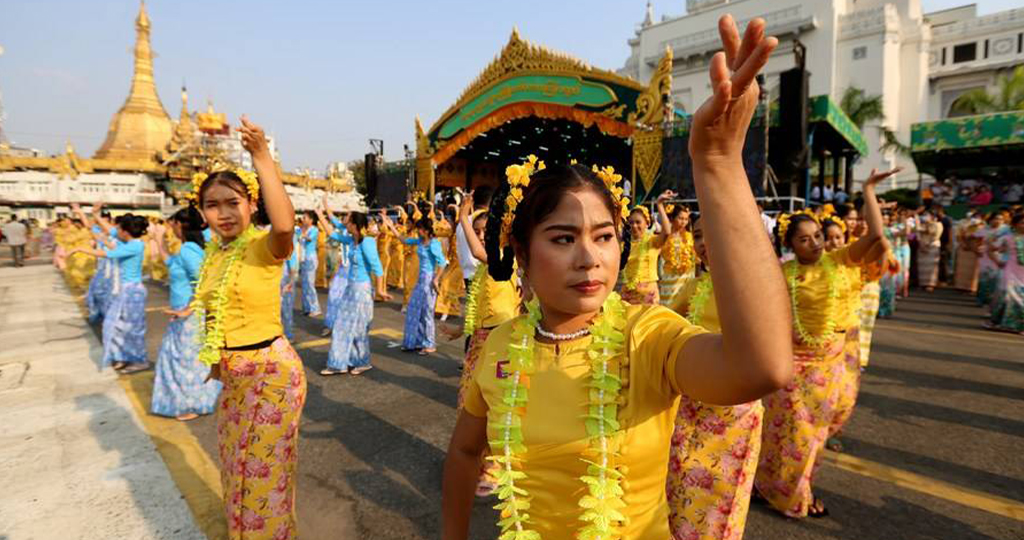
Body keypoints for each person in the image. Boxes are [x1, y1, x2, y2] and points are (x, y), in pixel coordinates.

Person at [442, 17, 790, 540]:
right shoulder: (499, 347)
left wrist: (718, 165)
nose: (590, 258)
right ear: (521, 250)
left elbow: (761, 367)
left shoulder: (646, 335)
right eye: (563, 238)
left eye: (604, 236)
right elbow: (467, 449)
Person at [754, 167, 893, 519]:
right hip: (794, 368)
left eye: (817, 235)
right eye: (805, 239)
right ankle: (792, 497)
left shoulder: (840, 259)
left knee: (813, 436)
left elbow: (876, 235)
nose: (815, 243)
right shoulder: (783, 275)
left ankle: (773, 485)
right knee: (794, 438)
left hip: (832, 363)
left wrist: (868, 190)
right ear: (790, 245)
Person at [190, 117, 305, 540]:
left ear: (251, 204)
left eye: (232, 202)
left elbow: (285, 226)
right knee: (237, 470)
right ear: (201, 212)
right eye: (213, 204)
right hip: (235, 379)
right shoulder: (213, 256)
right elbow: (214, 313)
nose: (223, 212)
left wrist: (261, 157)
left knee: (263, 480)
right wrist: (216, 360)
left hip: (270, 375)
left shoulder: (262, 247)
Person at [667, 216, 764, 540]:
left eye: (713, 232)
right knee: (680, 494)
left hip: (734, 417)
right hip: (689, 412)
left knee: (721, 505)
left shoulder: (754, 286)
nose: (704, 242)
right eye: (697, 236)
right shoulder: (693, 287)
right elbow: (665, 329)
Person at [150, 207, 222, 421]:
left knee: (188, 363)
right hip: (184, 312)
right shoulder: (189, 248)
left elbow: (205, 283)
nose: (170, 227)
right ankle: (192, 401)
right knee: (182, 360)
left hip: (191, 315)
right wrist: (159, 240)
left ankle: (194, 403)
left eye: (172, 224)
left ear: (181, 225)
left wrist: (187, 310)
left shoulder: (188, 250)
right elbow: (171, 263)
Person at [70, 214, 151, 373]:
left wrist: (80, 249)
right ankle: (122, 356)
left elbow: (106, 253)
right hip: (125, 290)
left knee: (132, 329)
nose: (115, 231)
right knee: (118, 326)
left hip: (132, 291)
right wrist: (94, 216)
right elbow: (108, 240)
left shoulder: (135, 245)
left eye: (119, 228)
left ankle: (140, 360)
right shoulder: (129, 243)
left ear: (125, 232)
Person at [318, 210, 388, 375]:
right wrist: (320, 215)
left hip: (362, 290)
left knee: (358, 327)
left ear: (355, 225)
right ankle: (340, 363)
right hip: (351, 288)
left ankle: (360, 361)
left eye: (347, 221)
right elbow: (332, 234)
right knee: (342, 324)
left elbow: (378, 268)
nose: (344, 223)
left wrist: (379, 290)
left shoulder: (367, 242)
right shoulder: (351, 240)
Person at [384, 212, 447, 354]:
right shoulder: (419, 241)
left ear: (425, 230)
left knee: (427, 313)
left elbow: (442, 263)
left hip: (429, 280)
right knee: (414, 309)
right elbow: (404, 240)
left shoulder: (433, 244)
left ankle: (430, 343)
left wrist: (436, 279)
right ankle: (417, 341)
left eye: (419, 229)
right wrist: (390, 226)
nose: (417, 231)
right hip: (420, 280)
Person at [985, 212, 1024, 334]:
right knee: (1008, 295)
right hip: (1010, 269)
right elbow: (991, 249)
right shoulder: (1007, 238)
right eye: (1022, 222)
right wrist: (997, 261)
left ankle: (1019, 325)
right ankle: (1003, 322)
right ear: (1015, 224)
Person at [655, 193, 696, 306]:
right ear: (672, 218)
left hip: (685, 279)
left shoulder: (689, 236)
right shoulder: (666, 236)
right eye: (680, 218)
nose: (683, 222)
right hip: (669, 281)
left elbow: (695, 260)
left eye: (686, 219)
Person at [621, 204, 664, 305]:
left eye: (638, 222)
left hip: (648, 294)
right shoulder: (625, 244)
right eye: (631, 223)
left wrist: (660, 205)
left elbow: (666, 233)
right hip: (628, 293)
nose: (634, 226)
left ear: (647, 223)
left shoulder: (652, 241)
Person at [320, 198, 350, 337]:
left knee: (347, 300)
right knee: (333, 295)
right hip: (343, 269)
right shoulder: (343, 229)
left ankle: (344, 326)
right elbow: (331, 218)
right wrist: (323, 207)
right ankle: (331, 324)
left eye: (347, 216)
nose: (343, 218)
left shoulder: (354, 235)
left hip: (353, 272)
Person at [297, 211, 322, 317]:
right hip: (302, 258)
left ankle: (315, 308)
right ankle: (307, 307)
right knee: (304, 284)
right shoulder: (300, 229)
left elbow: (309, 239)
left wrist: (301, 234)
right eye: (303, 217)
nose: (303, 219)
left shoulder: (314, 230)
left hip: (310, 258)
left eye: (305, 218)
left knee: (310, 284)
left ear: (311, 220)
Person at [916, 210, 943, 292]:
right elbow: (917, 232)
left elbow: (935, 235)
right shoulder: (922, 224)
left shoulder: (938, 224)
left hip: (932, 246)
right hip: (922, 246)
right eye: (924, 215)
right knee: (922, 266)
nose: (925, 216)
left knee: (931, 267)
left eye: (927, 215)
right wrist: (921, 244)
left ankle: (931, 284)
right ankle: (923, 283)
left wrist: (927, 245)